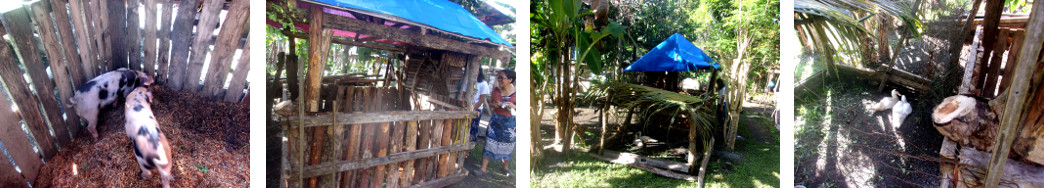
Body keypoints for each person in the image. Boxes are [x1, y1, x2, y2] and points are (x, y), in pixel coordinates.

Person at [480, 69, 516, 177]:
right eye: (498, 78)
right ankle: (483, 169)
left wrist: (513, 106)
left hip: (510, 123)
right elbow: (491, 102)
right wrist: (493, 105)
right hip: (495, 121)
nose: (499, 80)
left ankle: (505, 168)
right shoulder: (496, 90)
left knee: (509, 145)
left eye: (502, 78)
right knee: (489, 142)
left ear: (510, 80)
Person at [470, 71, 491, 142]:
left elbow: (482, 99)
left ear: (479, 72)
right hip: (468, 107)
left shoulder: (483, 83)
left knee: (474, 126)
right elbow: (463, 94)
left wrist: (473, 109)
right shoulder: (468, 81)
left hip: (477, 108)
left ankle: (472, 143)